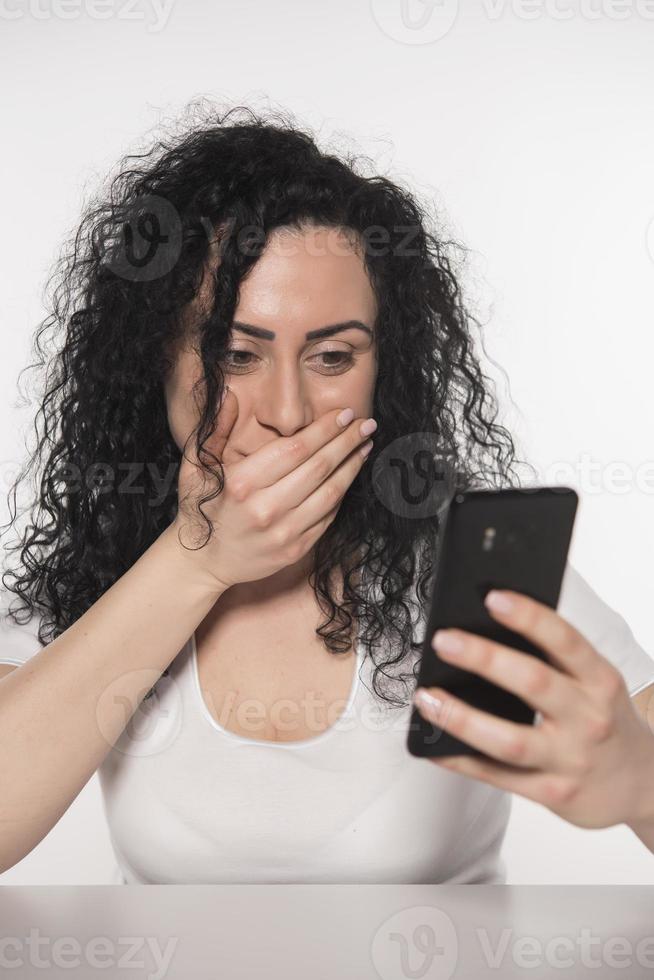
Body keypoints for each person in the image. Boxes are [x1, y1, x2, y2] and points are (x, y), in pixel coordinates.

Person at [1, 102, 653, 884]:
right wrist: (193, 562)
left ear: (386, 370)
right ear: (154, 361)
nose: (285, 414)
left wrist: (639, 782)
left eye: (333, 357)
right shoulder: (99, 570)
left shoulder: (464, 562)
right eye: (237, 355)